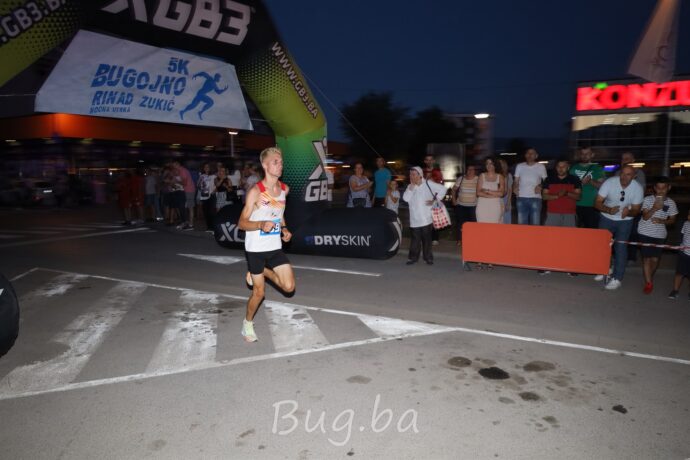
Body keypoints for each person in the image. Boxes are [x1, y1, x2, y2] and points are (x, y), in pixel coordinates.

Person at [237, 147, 295, 343]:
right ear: (264, 165)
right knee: (259, 293)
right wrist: (260, 224)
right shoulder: (256, 192)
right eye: (275, 162)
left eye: (281, 162)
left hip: (274, 246)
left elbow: (279, 213)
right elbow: (241, 223)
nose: (280, 165)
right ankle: (247, 324)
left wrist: (284, 229)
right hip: (255, 248)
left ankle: (262, 271)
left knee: (289, 287)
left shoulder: (284, 189)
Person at [593, 165, 644, 290]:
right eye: (623, 173)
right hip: (606, 217)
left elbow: (636, 210)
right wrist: (608, 209)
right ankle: (604, 269)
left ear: (634, 176)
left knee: (620, 248)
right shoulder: (609, 182)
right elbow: (597, 202)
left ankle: (617, 278)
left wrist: (629, 212)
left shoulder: (637, 188)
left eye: (628, 174)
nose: (624, 177)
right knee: (602, 246)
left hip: (625, 221)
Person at [541, 159, 582, 275]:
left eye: (563, 166)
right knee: (549, 240)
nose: (561, 168)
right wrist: (557, 196)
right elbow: (544, 196)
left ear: (568, 167)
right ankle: (547, 265)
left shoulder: (574, 179)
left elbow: (579, 197)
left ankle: (570, 267)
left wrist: (567, 193)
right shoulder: (549, 179)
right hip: (552, 213)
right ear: (556, 168)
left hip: (569, 214)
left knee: (569, 241)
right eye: (559, 166)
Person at [637, 177, 677, 294]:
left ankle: (649, 277)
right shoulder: (648, 199)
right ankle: (649, 283)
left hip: (660, 235)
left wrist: (662, 221)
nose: (661, 190)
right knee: (646, 258)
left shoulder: (671, 203)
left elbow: (672, 220)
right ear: (654, 188)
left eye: (663, 188)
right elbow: (645, 217)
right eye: (658, 188)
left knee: (655, 259)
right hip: (644, 232)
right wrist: (654, 208)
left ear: (668, 188)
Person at [403, 166, 447, 265]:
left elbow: (443, 189)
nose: (411, 176)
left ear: (420, 175)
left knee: (427, 240)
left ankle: (428, 258)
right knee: (415, 240)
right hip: (414, 219)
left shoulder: (428, 183)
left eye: (413, 174)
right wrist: (411, 188)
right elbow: (405, 199)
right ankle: (413, 258)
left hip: (426, 218)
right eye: (410, 174)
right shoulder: (410, 186)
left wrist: (435, 200)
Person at [616, 151, 646, 263]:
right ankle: (617, 256)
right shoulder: (617, 173)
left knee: (632, 233)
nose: (624, 161)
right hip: (618, 208)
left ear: (633, 160)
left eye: (627, 158)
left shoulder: (639, 173)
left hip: (633, 208)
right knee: (618, 233)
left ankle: (631, 257)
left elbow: (640, 191)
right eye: (623, 159)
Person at [570, 146, 605, 229]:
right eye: (582, 154)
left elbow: (602, 186)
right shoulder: (573, 168)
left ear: (592, 155)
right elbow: (568, 185)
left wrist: (590, 181)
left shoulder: (598, 168)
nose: (584, 156)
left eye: (587, 154)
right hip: (575, 204)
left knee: (591, 231)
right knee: (574, 231)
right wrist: (580, 183)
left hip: (592, 205)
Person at [514, 148, 547, 225]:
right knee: (522, 225)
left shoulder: (541, 166)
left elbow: (546, 181)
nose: (530, 155)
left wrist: (540, 185)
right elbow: (516, 181)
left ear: (536, 156)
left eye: (532, 153)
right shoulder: (519, 166)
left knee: (535, 225)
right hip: (521, 197)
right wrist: (514, 187)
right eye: (528, 153)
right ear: (525, 155)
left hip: (535, 198)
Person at [451, 165, 479, 245]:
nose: (470, 171)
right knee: (460, 223)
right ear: (466, 170)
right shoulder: (461, 178)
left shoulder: (478, 179)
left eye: (472, 169)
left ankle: (472, 240)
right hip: (461, 205)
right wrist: (453, 199)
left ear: (475, 171)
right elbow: (453, 190)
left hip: (473, 206)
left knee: (473, 224)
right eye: (469, 169)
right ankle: (460, 240)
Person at [668, 209, 690, 300]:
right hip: (684, 253)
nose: (688, 216)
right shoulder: (686, 224)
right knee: (679, 273)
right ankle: (675, 290)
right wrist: (681, 247)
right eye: (689, 214)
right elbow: (683, 236)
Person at [476, 157, 505, 224]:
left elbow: (501, 193)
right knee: (482, 226)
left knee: (494, 226)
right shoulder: (481, 176)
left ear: (495, 165)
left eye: (491, 163)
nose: (489, 165)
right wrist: (494, 195)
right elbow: (478, 193)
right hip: (482, 205)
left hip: (495, 205)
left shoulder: (500, 177)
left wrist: (487, 191)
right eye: (487, 163)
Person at [423, 154, 444, 245]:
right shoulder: (421, 172)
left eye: (431, 160)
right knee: (424, 218)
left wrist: (435, 199)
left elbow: (441, 187)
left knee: (434, 219)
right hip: (424, 199)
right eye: (427, 160)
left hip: (434, 198)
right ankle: (426, 238)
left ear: (434, 161)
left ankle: (435, 238)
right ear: (425, 161)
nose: (429, 161)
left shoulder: (437, 172)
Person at [197, 162, 217, 232]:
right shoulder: (202, 176)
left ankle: (213, 227)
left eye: (207, 167)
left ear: (210, 168)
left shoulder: (213, 176)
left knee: (211, 212)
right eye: (205, 167)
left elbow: (217, 185)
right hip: (204, 196)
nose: (206, 168)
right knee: (206, 212)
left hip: (211, 195)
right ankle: (209, 227)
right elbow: (198, 186)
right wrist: (200, 182)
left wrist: (214, 190)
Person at [499, 158, 513, 224]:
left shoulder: (508, 175)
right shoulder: (495, 175)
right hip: (497, 198)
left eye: (501, 164)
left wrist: (508, 202)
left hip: (505, 198)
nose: (500, 165)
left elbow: (510, 189)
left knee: (506, 218)